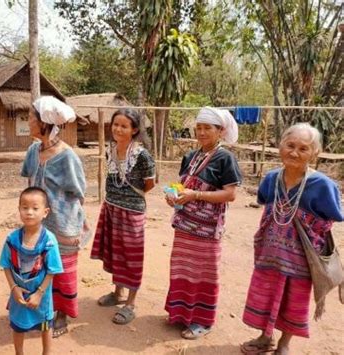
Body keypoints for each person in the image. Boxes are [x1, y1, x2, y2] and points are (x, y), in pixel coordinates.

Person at [240, 123, 343, 355]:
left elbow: (331, 218)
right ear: (280, 147)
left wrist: (302, 220)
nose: (295, 153)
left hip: (302, 257)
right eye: (290, 145)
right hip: (271, 252)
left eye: (304, 148)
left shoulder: (323, 186)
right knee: (267, 293)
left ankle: (284, 344)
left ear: (314, 153)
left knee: (294, 299)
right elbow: (266, 202)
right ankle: (265, 337)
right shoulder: (272, 178)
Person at [164, 107, 242, 339]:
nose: (202, 132)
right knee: (182, 269)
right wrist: (173, 197)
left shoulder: (225, 158)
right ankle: (180, 314)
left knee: (204, 274)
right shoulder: (190, 156)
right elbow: (181, 186)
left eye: (208, 128)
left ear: (220, 131)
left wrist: (195, 195)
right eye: (199, 127)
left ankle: (202, 321)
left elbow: (230, 194)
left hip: (207, 231)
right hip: (184, 226)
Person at [21, 96, 88, 338]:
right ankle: (40, 310)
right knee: (37, 267)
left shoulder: (67, 156)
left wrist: (69, 218)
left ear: (45, 123)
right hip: (37, 223)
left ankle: (62, 314)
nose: (28, 121)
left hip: (63, 223)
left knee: (63, 271)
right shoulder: (32, 151)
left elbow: (79, 192)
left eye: (31, 117)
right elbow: (29, 180)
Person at [90, 108, 155, 325]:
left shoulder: (142, 155)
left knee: (131, 256)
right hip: (111, 208)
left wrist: (129, 199)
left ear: (134, 129)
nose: (118, 129)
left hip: (132, 212)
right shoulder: (111, 149)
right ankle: (117, 293)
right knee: (115, 252)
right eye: (115, 124)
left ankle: (130, 302)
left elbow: (149, 184)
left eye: (124, 126)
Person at [0, 187, 63, 355]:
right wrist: (14, 288)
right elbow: (5, 265)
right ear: (19, 209)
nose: (29, 212)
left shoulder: (49, 241)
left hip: (42, 296)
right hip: (19, 294)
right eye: (24, 207)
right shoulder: (12, 239)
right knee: (18, 326)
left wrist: (40, 293)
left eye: (35, 208)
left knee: (45, 326)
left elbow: (52, 270)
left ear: (45, 212)